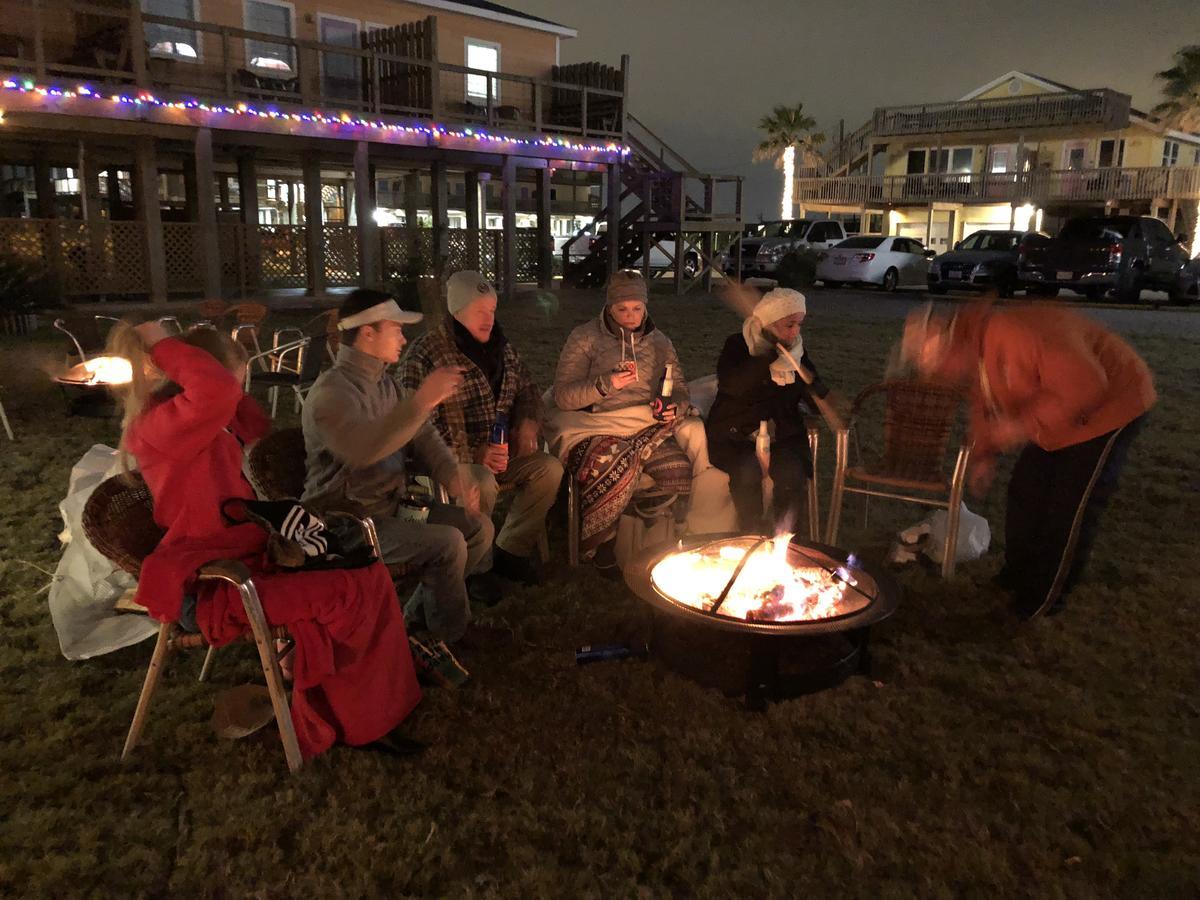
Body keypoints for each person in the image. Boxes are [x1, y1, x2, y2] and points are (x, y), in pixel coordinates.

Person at [109, 320, 421, 760]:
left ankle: (376, 702)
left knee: (368, 573)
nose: (240, 390)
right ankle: (361, 720)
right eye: (238, 380)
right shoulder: (162, 426)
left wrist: (227, 390)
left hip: (251, 562)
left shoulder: (207, 419)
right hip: (216, 586)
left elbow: (254, 424)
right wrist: (163, 344)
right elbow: (216, 393)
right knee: (349, 590)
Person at [901, 300, 1156, 619]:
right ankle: (1016, 575)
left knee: (1067, 507)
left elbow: (1087, 384)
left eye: (938, 366)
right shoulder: (977, 347)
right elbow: (985, 400)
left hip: (1109, 405)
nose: (942, 375)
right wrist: (984, 455)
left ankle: (1042, 599)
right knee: (1025, 492)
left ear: (950, 346)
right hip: (1059, 411)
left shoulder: (1013, 334)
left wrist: (1021, 426)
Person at [302, 289, 508, 649]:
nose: (403, 337)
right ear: (368, 333)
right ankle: (450, 636)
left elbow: (423, 436)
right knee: (447, 542)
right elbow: (363, 450)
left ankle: (419, 619)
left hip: (391, 506)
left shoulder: (385, 383)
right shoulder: (332, 393)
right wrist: (423, 399)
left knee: (478, 528)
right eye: (395, 329)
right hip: (346, 522)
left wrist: (452, 476)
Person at [397, 271, 562, 586]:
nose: (488, 319)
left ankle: (511, 550)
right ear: (456, 313)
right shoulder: (427, 354)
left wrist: (527, 421)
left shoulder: (501, 347)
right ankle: (477, 566)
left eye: (492, 310)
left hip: (502, 450)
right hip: (451, 461)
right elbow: (416, 427)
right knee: (482, 480)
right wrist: (473, 452)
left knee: (549, 469)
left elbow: (528, 388)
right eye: (478, 311)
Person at [547, 269, 712, 573]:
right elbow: (563, 396)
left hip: (646, 424)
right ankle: (603, 547)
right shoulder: (585, 338)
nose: (630, 316)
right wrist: (605, 384)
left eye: (637, 308)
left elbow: (679, 387)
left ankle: (652, 532)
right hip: (597, 425)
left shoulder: (660, 342)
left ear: (646, 307)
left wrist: (674, 406)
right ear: (609, 308)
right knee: (616, 467)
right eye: (622, 309)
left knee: (677, 469)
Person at [707, 287, 830, 532]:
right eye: (788, 325)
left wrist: (816, 390)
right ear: (769, 323)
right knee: (746, 472)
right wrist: (767, 355)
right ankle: (750, 535)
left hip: (782, 436)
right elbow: (733, 385)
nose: (795, 332)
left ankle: (786, 542)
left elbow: (814, 396)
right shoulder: (738, 345)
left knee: (791, 474)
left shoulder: (796, 352)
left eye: (799, 324)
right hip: (736, 434)